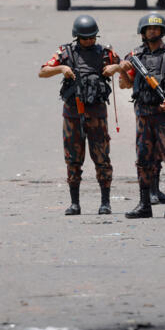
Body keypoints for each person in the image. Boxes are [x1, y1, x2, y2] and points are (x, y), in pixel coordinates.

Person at [39, 15, 122, 215]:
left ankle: (105, 202)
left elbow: (127, 65)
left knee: (102, 158)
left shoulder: (105, 53)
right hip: (72, 115)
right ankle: (75, 203)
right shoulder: (66, 52)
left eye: (92, 37)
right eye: (85, 38)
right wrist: (62, 68)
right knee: (73, 159)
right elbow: (43, 71)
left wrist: (116, 67)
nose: (89, 41)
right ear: (77, 37)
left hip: (97, 114)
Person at [118, 13, 165, 219]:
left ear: (162, 31)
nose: (152, 31)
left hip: (164, 115)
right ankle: (144, 204)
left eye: (156, 29)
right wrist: (122, 71)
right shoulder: (134, 56)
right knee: (143, 160)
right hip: (143, 115)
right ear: (142, 32)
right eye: (148, 28)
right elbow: (124, 85)